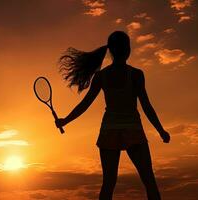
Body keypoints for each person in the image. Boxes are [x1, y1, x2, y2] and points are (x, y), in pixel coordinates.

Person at [55, 31, 170, 200]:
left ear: (111, 51)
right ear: (128, 49)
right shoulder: (136, 74)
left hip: (109, 131)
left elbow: (85, 104)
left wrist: (66, 120)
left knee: (108, 184)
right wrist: (161, 130)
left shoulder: (102, 76)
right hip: (133, 130)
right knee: (149, 182)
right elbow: (146, 106)